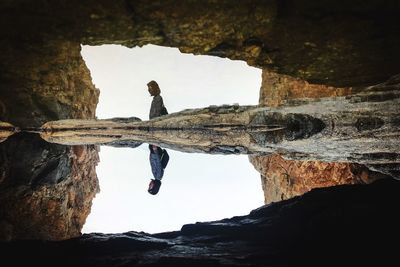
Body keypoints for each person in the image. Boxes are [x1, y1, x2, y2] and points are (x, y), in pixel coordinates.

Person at [147, 80, 169, 195]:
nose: (149, 185)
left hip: (154, 147)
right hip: (155, 147)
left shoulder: (157, 176)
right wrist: (154, 149)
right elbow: (157, 163)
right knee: (154, 118)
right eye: (150, 187)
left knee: (153, 117)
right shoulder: (158, 176)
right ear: (154, 187)